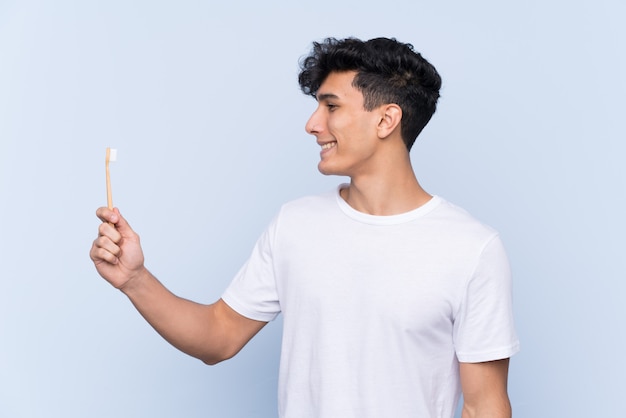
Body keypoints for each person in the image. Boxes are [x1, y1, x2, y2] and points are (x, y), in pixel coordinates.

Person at [90, 37, 519, 418]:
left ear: (386, 121)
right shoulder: (294, 225)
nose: (312, 124)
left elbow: (485, 406)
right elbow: (218, 337)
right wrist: (134, 279)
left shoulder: (471, 248)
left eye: (331, 106)